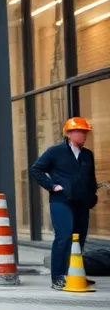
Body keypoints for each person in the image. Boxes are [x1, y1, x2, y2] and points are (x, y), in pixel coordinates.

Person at [30, 117, 99, 290]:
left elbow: (91, 178)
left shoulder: (87, 154)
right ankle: (58, 276)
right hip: (61, 202)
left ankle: (75, 273)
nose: (83, 135)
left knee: (80, 238)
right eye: (79, 131)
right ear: (69, 134)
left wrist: (92, 196)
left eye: (85, 132)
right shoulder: (56, 151)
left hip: (82, 203)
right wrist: (52, 186)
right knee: (64, 236)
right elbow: (36, 170)